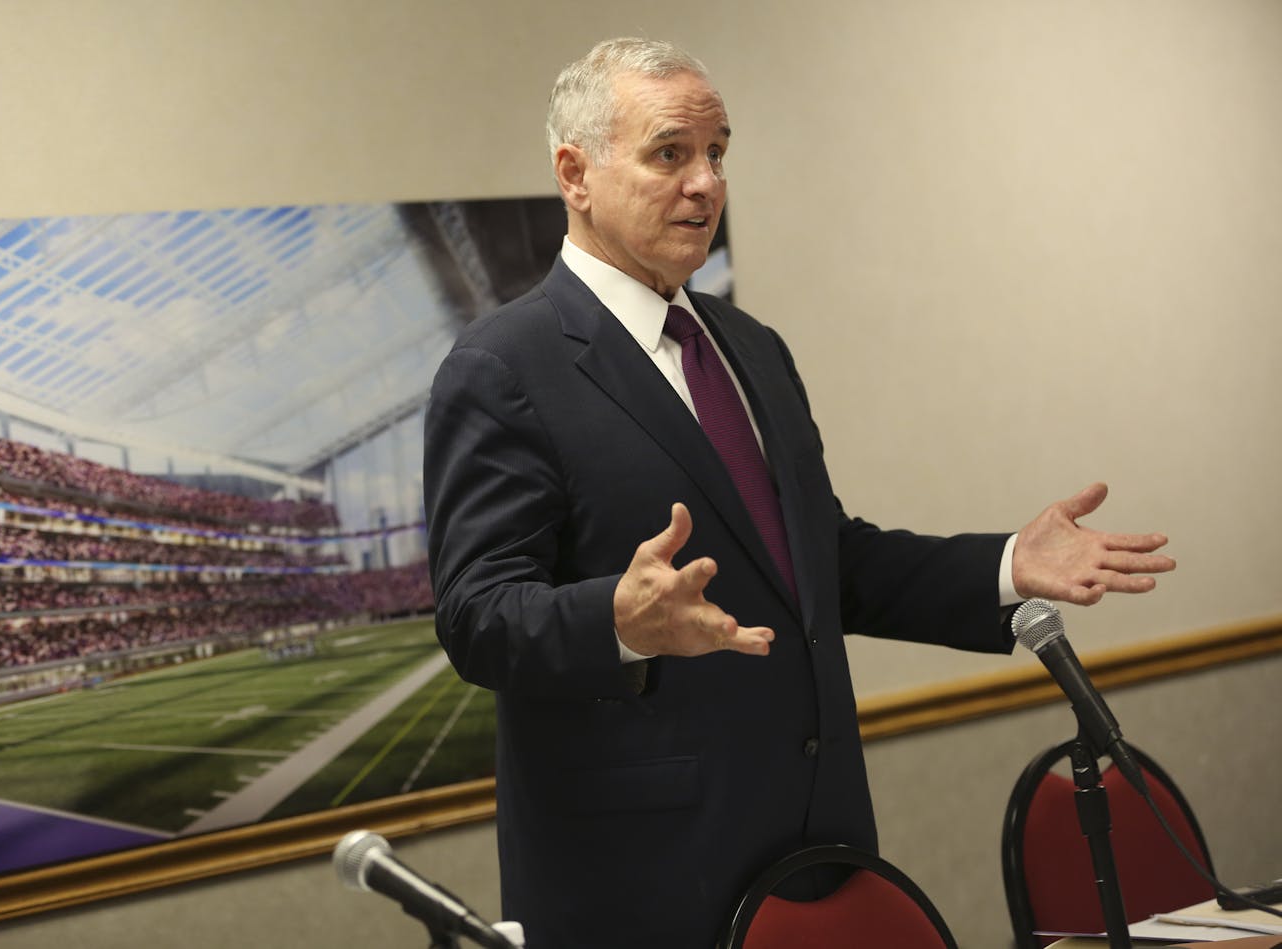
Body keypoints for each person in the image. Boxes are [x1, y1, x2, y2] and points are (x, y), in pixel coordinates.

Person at [422, 37, 1175, 949]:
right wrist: (616, 621)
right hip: (640, 876)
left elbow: (828, 563)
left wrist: (1009, 565)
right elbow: (476, 615)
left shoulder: (752, 349)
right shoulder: (504, 366)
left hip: (821, 843)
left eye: (718, 153)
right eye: (671, 153)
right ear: (576, 173)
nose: (706, 183)